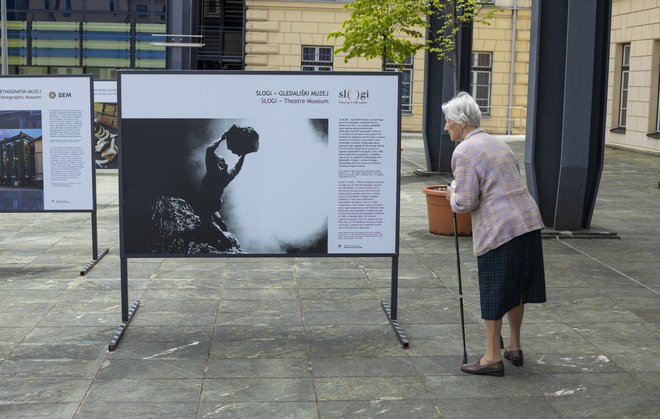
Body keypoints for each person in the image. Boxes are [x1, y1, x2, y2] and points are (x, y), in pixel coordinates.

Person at [442, 92, 546, 377]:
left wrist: (451, 194)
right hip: (527, 221)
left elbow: (466, 203)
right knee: (518, 287)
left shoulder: (463, 151)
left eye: (448, 121)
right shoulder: (498, 144)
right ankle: (514, 345)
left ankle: (491, 357)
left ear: (461, 122)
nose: (445, 127)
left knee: (494, 290)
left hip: (500, 228)